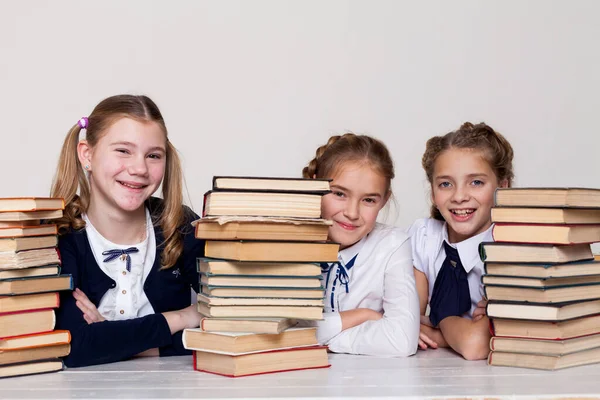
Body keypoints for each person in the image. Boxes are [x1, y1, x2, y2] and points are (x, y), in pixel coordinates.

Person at [51, 94, 203, 367]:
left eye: (153, 155)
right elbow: (75, 347)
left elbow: (229, 322)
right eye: (123, 151)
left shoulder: (179, 225)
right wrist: (182, 318)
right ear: (87, 154)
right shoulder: (60, 235)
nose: (139, 169)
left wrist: (115, 341)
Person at [302, 133, 419, 357]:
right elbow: (274, 332)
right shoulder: (283, 239)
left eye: (368, 200)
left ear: (384, 200)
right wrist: (362, 316)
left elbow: (401, 341)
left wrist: (317, 337)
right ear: (315, 185)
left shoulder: (392, 245)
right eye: (339, 194)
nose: (352, 213)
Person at [409, 122, 514, 360]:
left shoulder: (511, 250)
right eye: (445, 184)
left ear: (502, 187)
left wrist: (440, 320)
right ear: (434, 193)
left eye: (476, 182)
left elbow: (474, 345)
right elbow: (406, 323)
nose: (459, 196)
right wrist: (457, 333)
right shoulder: (424, 237)